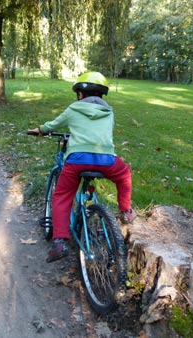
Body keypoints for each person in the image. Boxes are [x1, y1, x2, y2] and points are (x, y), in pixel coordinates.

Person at [28, 71, 136, 263]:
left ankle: (59, 241)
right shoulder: (109, 112)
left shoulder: (73, 109)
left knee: (62, 196)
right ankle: (126, 211)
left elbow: (53, 125)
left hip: (77, 159)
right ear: (101, 95)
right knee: (124, 174)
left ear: (80, 94)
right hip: (107, 159)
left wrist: (40, 130)